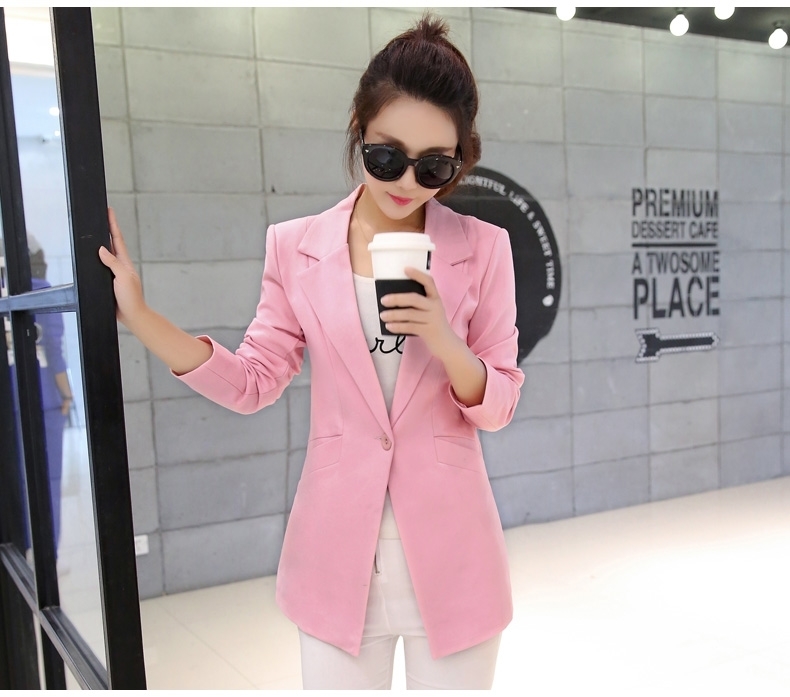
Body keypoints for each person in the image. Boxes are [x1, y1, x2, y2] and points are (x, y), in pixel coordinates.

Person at [99, 14, 524, 690]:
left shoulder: (485, 248)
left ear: (458, 160)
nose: (406, 181)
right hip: (335, 562)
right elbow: (252, 381)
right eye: (386, 156)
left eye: (434, 166)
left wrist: (445, 339)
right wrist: (141, 316)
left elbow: (498, 405)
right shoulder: (294, 246)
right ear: (359, 128)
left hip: (456, 562)